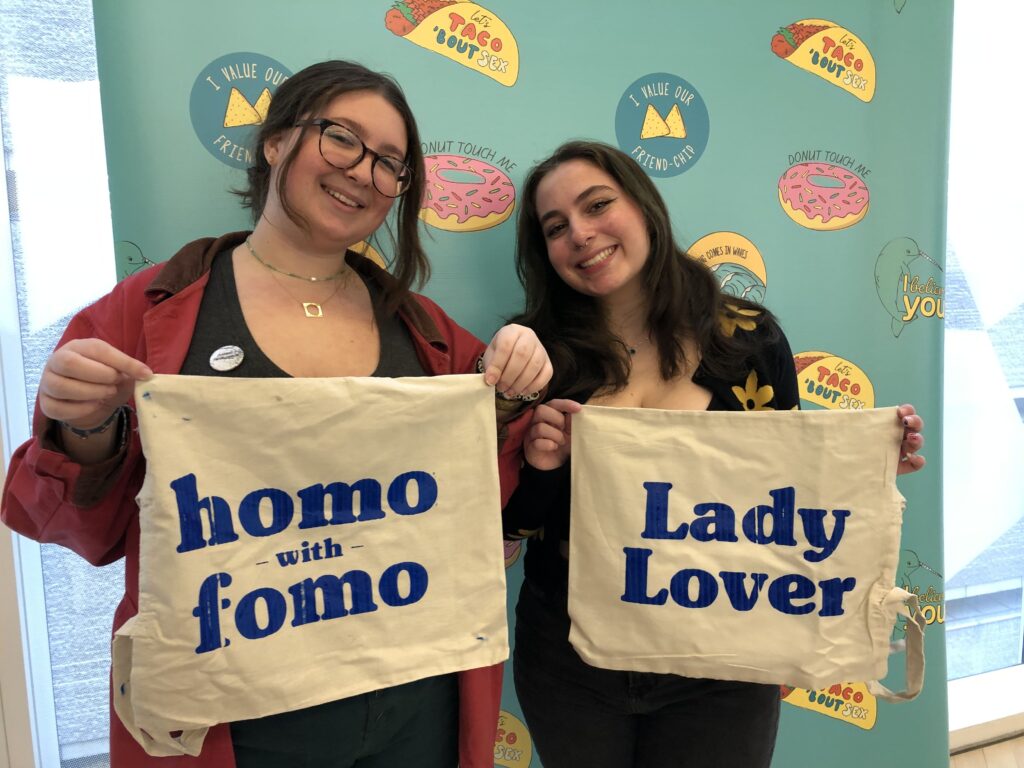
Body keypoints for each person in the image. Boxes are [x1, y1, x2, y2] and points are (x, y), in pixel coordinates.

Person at [1, 60, 551, 768]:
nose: (364, 172)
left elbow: (490, 510)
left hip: (416, 700)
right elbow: (73, 525)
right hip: (238, 715)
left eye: (391, 162)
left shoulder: (428, 332)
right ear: (274, 142)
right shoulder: (147, 311)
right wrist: (85, 429)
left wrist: (510, 386)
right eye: (342, 138)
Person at [501, 140, 926, 768]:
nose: (581, 235)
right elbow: (510, 530)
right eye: (556, 227)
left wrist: (860, 471)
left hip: (726, 653)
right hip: (571, 657)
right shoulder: (539, 355)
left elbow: (787, 498)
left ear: (644, 208)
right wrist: (540, 467)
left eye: (597, 206)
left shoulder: (748, 340)